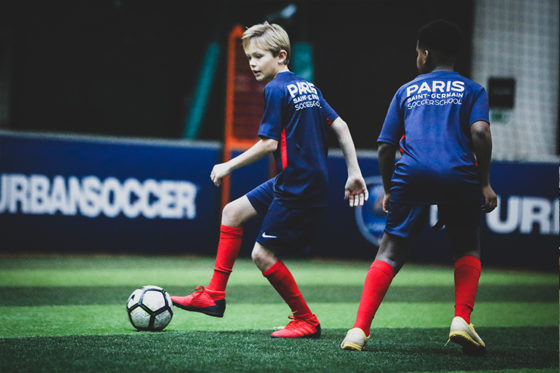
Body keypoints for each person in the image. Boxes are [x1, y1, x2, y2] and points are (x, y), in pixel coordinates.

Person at [172, 21, 368, 339]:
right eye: (249, 56)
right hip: (298, 178)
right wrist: (354, 173)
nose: (252, 63)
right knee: (232, 213)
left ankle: (306, 320)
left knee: (262, 256)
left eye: (258, 56)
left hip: (298, 183)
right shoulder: (308, 87)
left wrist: (226, 167)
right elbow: (342, 126)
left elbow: (268, 144)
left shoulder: (275, 89)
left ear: (280, 56)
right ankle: (214, 295)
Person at [340, 20, 497, 354]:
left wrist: (390, 188)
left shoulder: (406, 90)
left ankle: (358, 330)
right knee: (466, 247)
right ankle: (460, 320)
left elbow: (385, 146)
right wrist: (484, 183)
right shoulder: (473, 90)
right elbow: (481, 133)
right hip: (459, 173)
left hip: (411, 173)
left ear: (424, 54)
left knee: (390, 252)